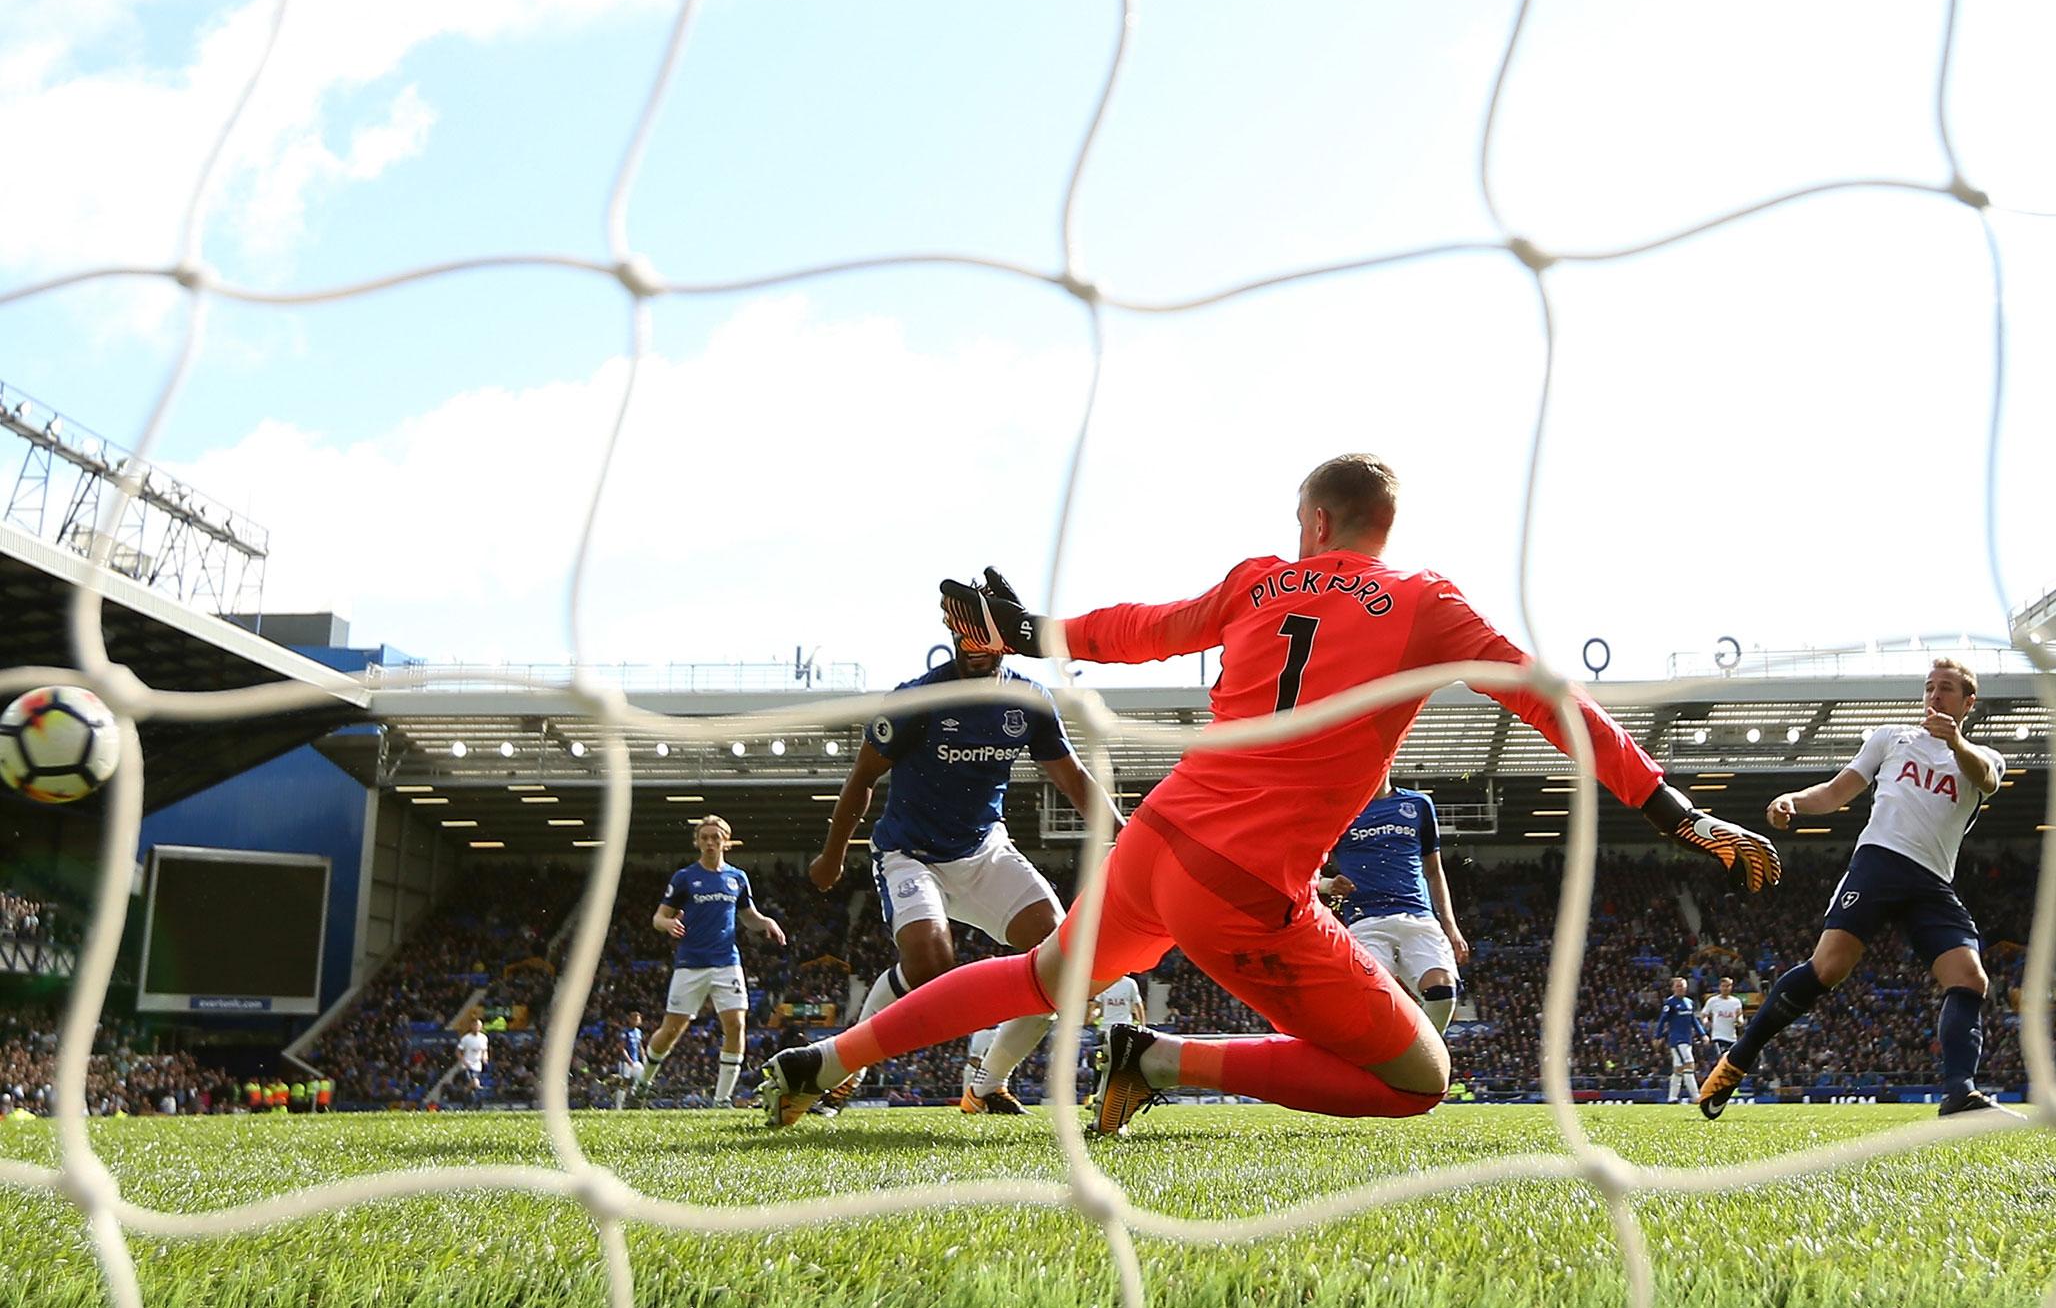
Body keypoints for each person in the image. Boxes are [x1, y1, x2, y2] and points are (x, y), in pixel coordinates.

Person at [762, 454, 1781, 1130]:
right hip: (1241, 885)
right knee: (1417, 1082)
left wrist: (1037, 635)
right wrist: (1669, 807)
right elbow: (1545, 698)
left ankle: (830, 1056)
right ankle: (1159, 1061)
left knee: (1038, 976)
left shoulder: (1260, 580)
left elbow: (1141, 628)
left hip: (1156, 840)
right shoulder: (1424, 601)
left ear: (1320, 517)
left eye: (1299, 518)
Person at [806, 593, 1118, 1117]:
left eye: (986, 635)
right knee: (930, 963)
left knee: (1064, 962)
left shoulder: (1029, 701)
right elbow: (862, 777)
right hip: (911, 852)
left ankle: (987, 1085)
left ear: (1006, 639)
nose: (975, 646)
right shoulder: (917, 700)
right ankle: (840, 1074)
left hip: (983, 849)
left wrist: (1124, 833)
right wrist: (832, 854)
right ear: (952, 632)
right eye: (965, 633)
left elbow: (1074, 779)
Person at [1699, 659, 2010, 1119]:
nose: (1934, 696)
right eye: (1929, 687)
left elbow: (1986, 779)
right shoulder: (1891, 737)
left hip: (1931, 882)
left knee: (1970, 978)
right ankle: (1738, 1058)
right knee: (1828, 968)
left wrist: (1956, 741)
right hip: (1879, 864)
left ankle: (1959, 1094)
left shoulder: (1980, 757)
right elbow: (1835, 791)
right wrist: (1793, 801)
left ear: (1968, 702)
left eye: (1946, 689)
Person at [633, 816, 785, 1107]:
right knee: (671, 1031)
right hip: (690, 964)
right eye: (705, 837)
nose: (710, 842)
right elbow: (658, 917)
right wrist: (667, 925)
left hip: (727, 962)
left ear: (726, 841)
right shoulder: (684, 878)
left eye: (716, 837)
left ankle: (722, 1099)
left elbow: (748, 916)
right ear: (697, 842)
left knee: (736, 1025)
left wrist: (766, 921)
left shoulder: (737, 878)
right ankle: (643, 1084)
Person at [1314, 778, 1468, 1034]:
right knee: (1373, 1000)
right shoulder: (1339, 811)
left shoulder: (1418, 804)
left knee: (1442, 993)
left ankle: (1419, 1061)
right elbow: (1302, 871)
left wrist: (1451, 928)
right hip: (1367, 922)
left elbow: (1434, 871)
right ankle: (1393, 1064)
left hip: (1419, 918)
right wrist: (1329, 885)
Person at [1652, 976, 1705, 1104]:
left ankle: (1672, 1097)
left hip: (1687, 1039)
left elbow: (1693, 1020)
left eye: (1683, 985)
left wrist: (1702, 1034)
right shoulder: (1670, 1003)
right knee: (1689, 1064)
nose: (1681, 988)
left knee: (1678, 1068)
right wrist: (1657, 1036)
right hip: (1677, 1040)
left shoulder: (1689, 1002)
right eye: (1678, 986)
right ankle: (1696, 1096)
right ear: (1673, 988)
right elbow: (1662, 1020)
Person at [1700, 976, 1743, 1060]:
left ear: (1731, 987)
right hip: (1718, 1036)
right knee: (1722, 1058)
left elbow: (1739, 1016)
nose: (1725, 988)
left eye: (1728, 986)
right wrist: (1706, 1022)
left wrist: (1740, 1021)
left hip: (1732, 1037)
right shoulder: (1713, 1001)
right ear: (1719, 987)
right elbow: (1704, 1014)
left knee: (1731, 1061)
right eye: (1723, 986)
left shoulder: (1736, 1002)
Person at [455, 1017, 489, 1108]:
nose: (477, 1027)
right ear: (471, 1026)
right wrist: (464, 1061)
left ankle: (466, 1101)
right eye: (475, 1025)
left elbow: (484, 1050)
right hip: (467, 1066)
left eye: (479, 1025)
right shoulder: (466, 1038)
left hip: (477, 1065)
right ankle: (474, 1103)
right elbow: (458, 1051)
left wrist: (485, 1057)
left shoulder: (484, 1038)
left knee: (472, 1086)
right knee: (475, 1083)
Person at [617, 1010, 647, 1103]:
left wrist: (644, 1058)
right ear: (630, 1020)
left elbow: (640, 1046)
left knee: (644, 1078)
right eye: (635, 1019)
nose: (637, 1021)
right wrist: (629, 1060)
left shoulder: (638, 1032)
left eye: (638, 1019)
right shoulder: (625, 1031)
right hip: (625, 1062)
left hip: (636, 1061)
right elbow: (621, 1048)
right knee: (624, 1082)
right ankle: (619, 1105)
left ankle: (634, 1094)